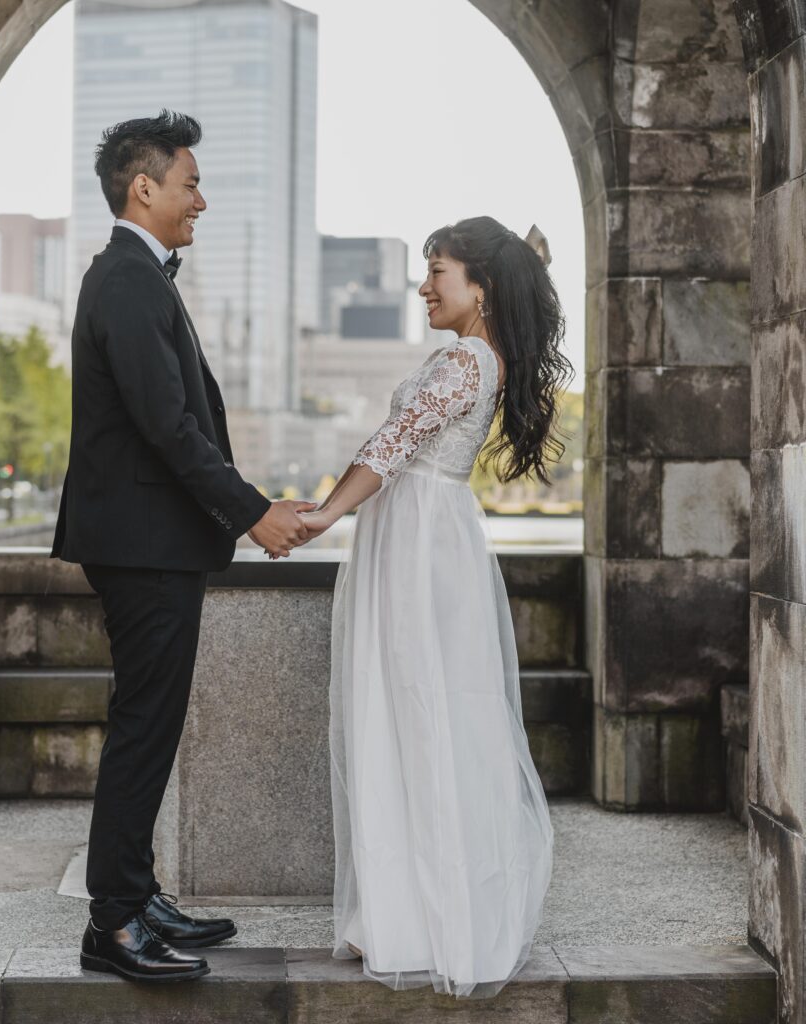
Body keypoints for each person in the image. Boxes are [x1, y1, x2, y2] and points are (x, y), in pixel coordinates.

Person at [51, 109, 314, 984]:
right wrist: (252, 512)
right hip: (142, 543)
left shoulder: (138, 276)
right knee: (143, 727)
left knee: (149, 724)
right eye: (191, 183)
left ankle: (136, 892)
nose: (201, 199)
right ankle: (113, 924)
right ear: (144, 186)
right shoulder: (125, 280)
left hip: (148, 540)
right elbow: (167, 425)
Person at [297, 216, 572, 998]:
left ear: (478, 288)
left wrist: (321, 515)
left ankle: (423, 916)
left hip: (419, 541)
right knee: (421, 710)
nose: (424, 285)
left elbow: (392, 444)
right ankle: (407, 910)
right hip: (422, 533)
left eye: (438, 272)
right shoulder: (483, 358)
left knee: (414, 708)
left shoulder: (463, 360)